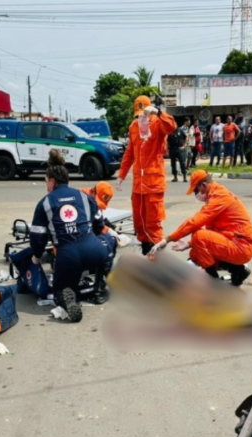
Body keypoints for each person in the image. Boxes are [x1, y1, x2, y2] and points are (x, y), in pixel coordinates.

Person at [31, 150, 113, 322]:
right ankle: (99, 289)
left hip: (67, 257)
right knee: (110, 240)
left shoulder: (45, 202)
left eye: (46, 182)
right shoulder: (84, 196)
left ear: (52, 181)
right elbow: (99, 226)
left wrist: (37, 256)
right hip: (93, 251)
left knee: (60, 289)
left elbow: (38, 238)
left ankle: (66, 295)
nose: (46, 186)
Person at [147, 170, 252, 286]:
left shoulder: (220, 197)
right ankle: (238, 271)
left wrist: (167, 239)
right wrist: (189, 244)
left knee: (199, 236)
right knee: (196, 251)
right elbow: (211, 232)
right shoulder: (215, 196)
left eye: (196, 190)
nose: (196, 195)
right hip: (235, 243)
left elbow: (195, 222)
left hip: (242, 247)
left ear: (203, 185)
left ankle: (213, 281)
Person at [117, 95, 178, 257]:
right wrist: (121, 175)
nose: (140, 118)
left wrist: (158, 112)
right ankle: (146, 252)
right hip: (138, 184)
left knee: (153, 223)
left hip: (154, 183)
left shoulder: (158, 124)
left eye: (144, 114)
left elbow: (172, 126)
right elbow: (130, 152)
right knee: (139, 222)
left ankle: (158, 260)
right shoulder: (133, 127)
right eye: (138, 115)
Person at [168, 119, 189, 183]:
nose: (174, 126)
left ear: (177, 125)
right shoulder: (170, 132)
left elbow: (186, 137)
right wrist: (167, 150)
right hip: (172, 149)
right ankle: (175, 177)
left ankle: (184, 177)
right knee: (173, 164)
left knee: (182, 163)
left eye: (175, 124)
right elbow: (167, 141)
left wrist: (184, 146)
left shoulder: (180, 131)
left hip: (179, 149)